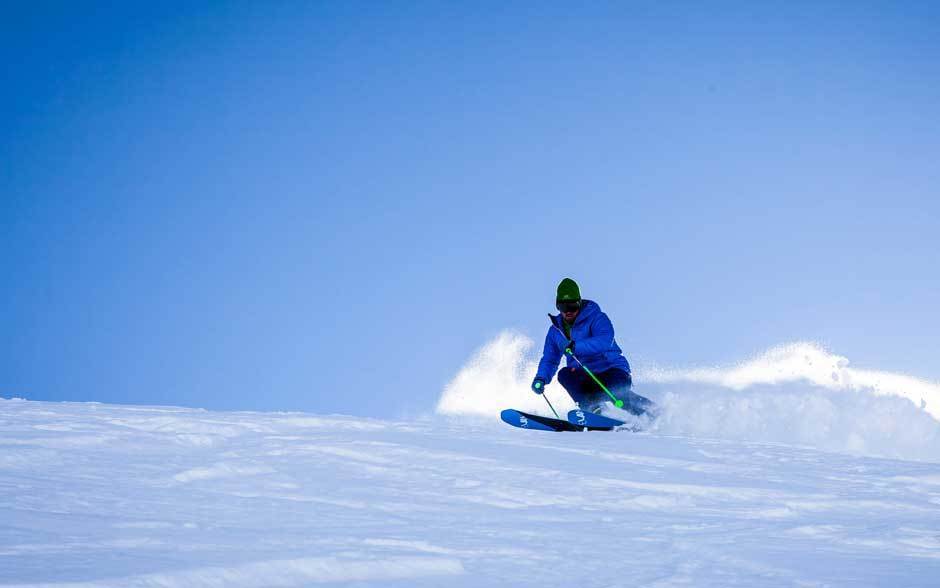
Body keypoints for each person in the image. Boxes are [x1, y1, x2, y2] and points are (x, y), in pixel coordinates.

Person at [531, 278, 654, 416]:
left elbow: (605, 340)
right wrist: (541, 378)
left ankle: (650, 413)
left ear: (579, 303)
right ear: (557, 306)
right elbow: (550, 359)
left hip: (612, 370)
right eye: (564, 307)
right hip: (585, 377)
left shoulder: (597, 318)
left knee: (616, 395)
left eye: (572, 306)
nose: (568, 311)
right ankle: (594, 412)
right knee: (564, 375)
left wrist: (576, 346)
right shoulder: (555, 331)